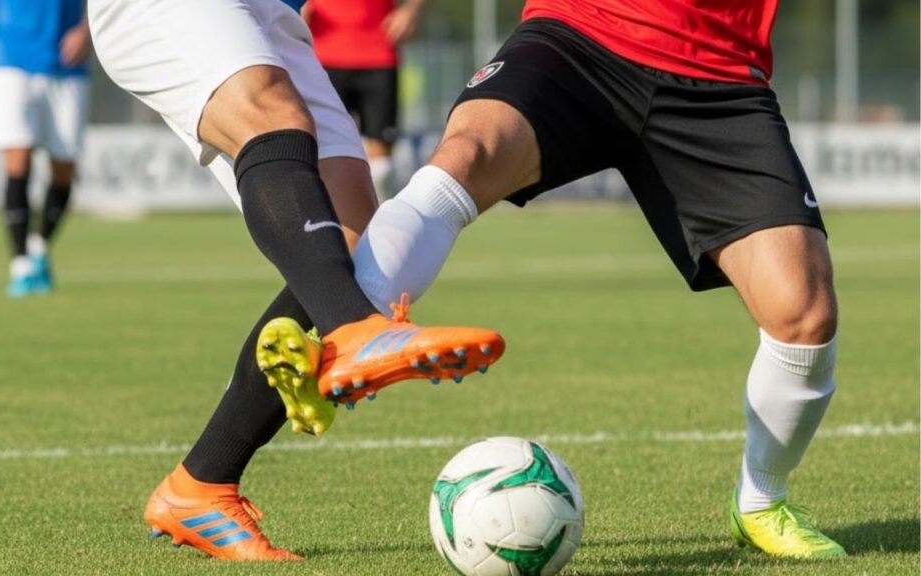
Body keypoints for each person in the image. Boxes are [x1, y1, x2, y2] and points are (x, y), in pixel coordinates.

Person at [349, 0, 847, 560]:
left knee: (804, 315)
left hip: (718, 68)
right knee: (466, 154)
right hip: (581, 31)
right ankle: (342, 330)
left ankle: (761, 502)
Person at [86, 0, 505, 562]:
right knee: (269, 111)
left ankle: (200, 484)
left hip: (268, 10)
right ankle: (354, 328)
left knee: (353, 237)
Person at [0, 0, 90, 297]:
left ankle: (38, 247)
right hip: (11, 60)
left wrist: (87, 33)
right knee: (17, 159)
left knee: (64, 168)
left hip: (67, 65)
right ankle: (20, 264)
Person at [304, 0, 426, 199]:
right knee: (323, 154)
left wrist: (411, 10)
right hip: (324, 56)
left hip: (379, 56)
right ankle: (326, 216)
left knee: (381, 170)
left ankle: (382, 217)